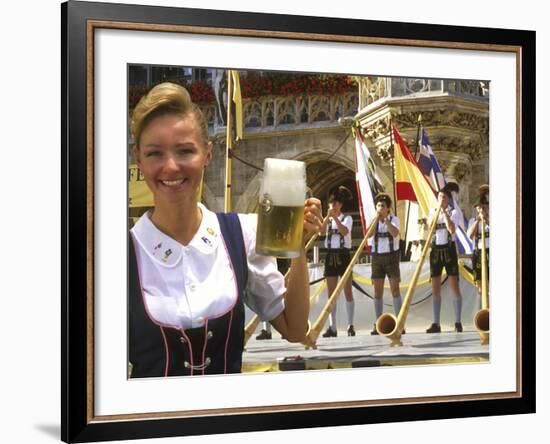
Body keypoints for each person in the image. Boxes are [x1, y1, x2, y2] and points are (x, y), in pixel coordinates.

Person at [128, 82, 322, 377]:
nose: (170, 166)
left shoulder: (239, 235)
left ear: (207, 153)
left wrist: (298, 248)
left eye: (185, 151)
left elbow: (295, 329)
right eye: (155, 153)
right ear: (138, 159)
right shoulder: (116, 255)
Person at [426, 186, 464, 333]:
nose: (441, 200)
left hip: (449, 249)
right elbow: (430, 227)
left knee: (454, 284)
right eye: (439, 197)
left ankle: (458, 321)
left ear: (448, 199)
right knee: (435, 287)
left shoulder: (454, 212)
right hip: (436, 249)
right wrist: (436, 213)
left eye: (443, 197)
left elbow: (451, 229)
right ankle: (436, 323)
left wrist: (444, 212)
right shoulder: (432, 211)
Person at [365, 193, 403, 335]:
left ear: (388, 208)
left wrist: (386, 221)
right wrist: (376, 220)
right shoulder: (373, 220)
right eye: (378, 206)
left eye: (383, 206)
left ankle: (399, 322)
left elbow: (395, 233)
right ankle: (378, 322)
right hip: (377, 258)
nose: (380, 208)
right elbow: (368, 235)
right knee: (377, 292)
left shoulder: (394, 220)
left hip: (391, 256)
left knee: (395, 290)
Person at [319, 186, 355, 337]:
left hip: (343, 254)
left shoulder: (347, 218)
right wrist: (327, 218)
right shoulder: (327, 220)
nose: (333, 206)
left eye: (335, 203)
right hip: (330, 255)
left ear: (340, 205)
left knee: (347, 291)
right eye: (331, 203)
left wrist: (334, 218)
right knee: (331, 294)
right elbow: (321, 232)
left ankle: (350, 325)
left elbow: (344, 231)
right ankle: (332, 327)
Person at [467, 185, 490, 307]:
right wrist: (478, 221)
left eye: (484, 207)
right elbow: (470, 235)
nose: (482, 209)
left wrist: (486, 220)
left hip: (490, 251)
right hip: (478, 252)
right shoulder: (472, 221)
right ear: (477, 209)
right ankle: (481, 309)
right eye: (479, 207)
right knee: (480, 284)